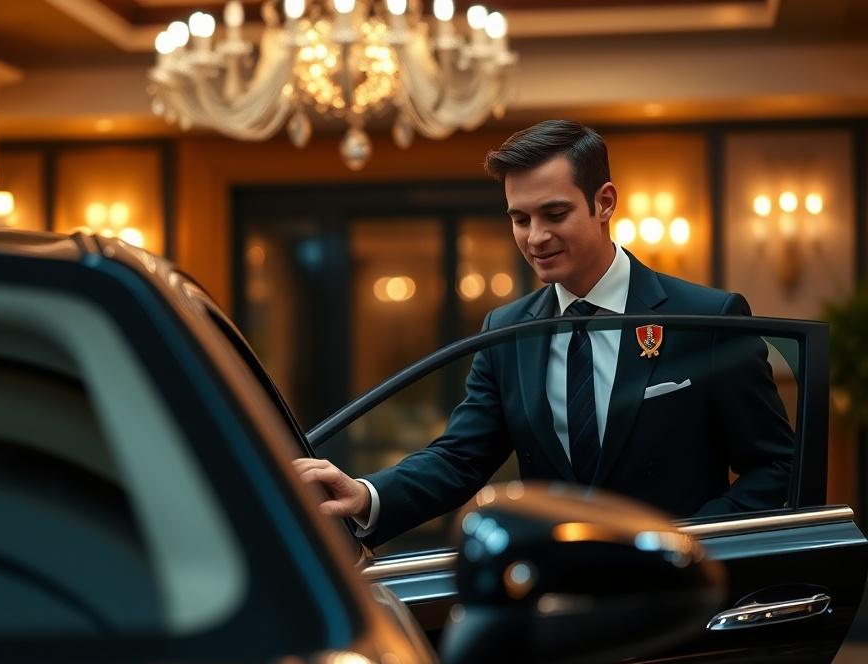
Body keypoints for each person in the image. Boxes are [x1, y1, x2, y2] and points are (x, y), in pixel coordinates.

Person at [294, 120, 794, 548]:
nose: (535, 237)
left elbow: (774, 468)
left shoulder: (706, 318)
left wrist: (690, 545)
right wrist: (366, 495)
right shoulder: (506, 331)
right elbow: (459, 459)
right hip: (556, 605)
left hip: (682, 599)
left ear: (604, 202)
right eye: (520, 218)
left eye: (555, 214)